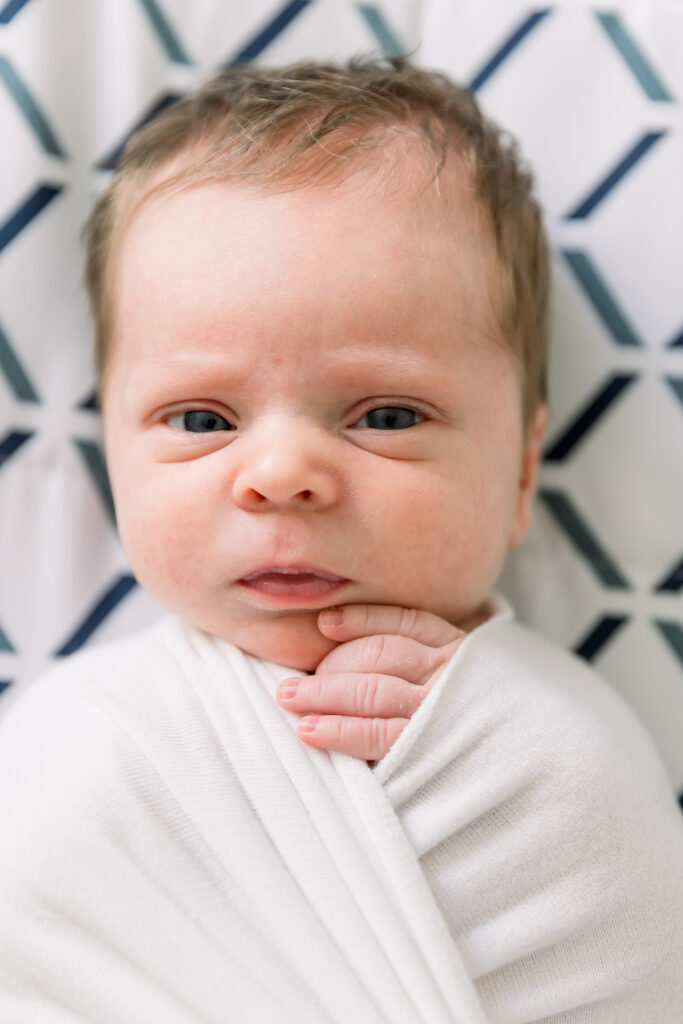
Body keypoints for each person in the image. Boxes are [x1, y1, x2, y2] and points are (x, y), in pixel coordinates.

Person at [0, 57, 681, 1022]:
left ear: (523, 470)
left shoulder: (562, 744)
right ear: (108, 449)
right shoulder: (68, 743)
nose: (279, 474)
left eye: (388, 416)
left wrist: (502, 741)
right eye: (200, 421)